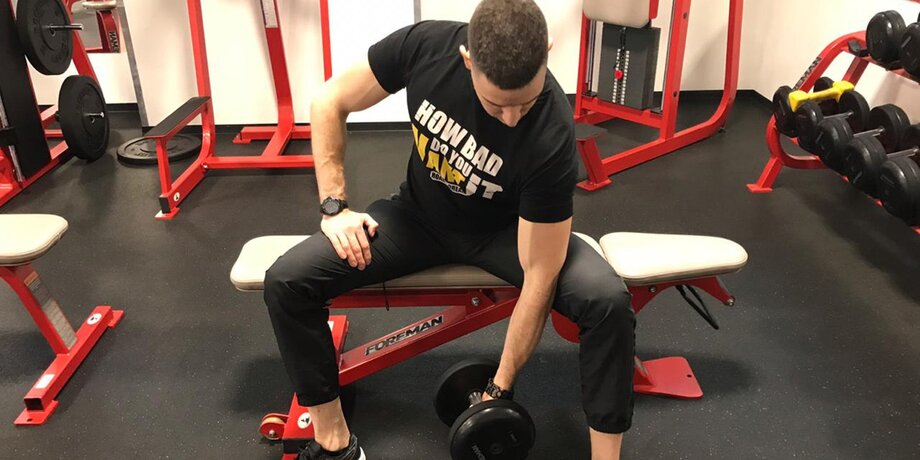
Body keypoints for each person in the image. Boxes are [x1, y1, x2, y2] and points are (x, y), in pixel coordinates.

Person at [263, 1, 636, 458]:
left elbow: (540, 275)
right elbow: (329, 100)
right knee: (288, 280)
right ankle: (335, 443)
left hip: (506, 233)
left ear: (548, 52)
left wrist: (498, 390)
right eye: (497, 104)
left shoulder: (551, 133)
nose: (512, 118)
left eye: (524, 102)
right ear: (467, 60)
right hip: (417, 218)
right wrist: (334, 207)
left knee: (606, 300)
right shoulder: (426, 48)